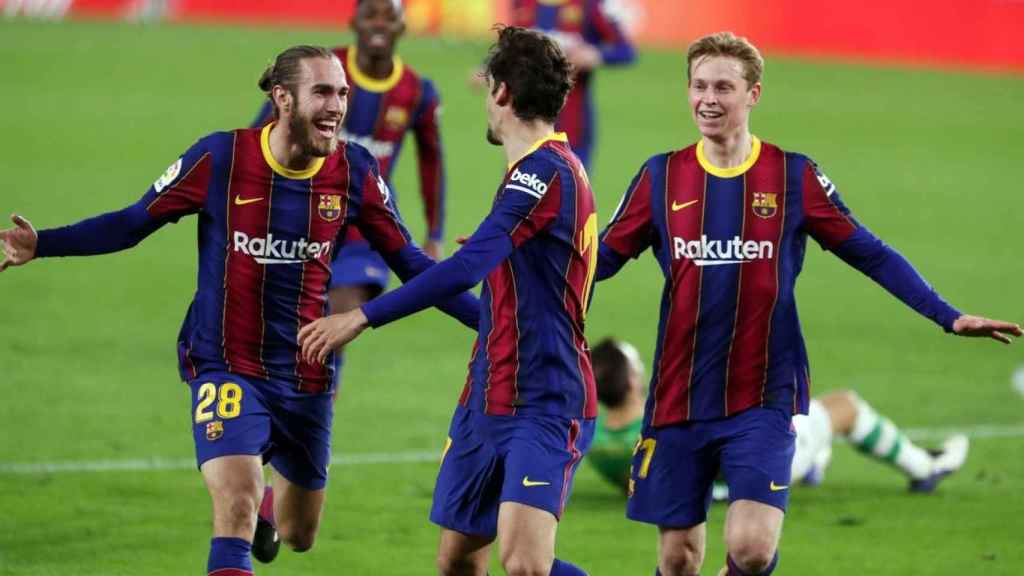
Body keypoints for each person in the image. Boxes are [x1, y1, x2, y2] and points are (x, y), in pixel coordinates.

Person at [0, 45, 477, 576]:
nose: (337, 105)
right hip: (225, 363)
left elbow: (412, 263)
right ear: (282, 99)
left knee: (299, 535)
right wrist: (43, 243)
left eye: (342, 93)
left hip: (304, 374)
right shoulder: (220, 159)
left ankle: (276, 500)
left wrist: (492, 322)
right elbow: (133, 223)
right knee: (236, 503)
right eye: (322, 91)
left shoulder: (354, 172)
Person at [594, 32, 1021, 576]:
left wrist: (946, 314)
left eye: (724, 86)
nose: (709, 98)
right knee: (679, 559)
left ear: (753, 94)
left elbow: (868, 251)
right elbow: (598, 261)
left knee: (750, 548)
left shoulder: (792, 175)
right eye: (699, 85)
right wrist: (524, 258)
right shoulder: (661, 176)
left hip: (764, 394)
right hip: (680, 395)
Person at [297, 26, 598, 576]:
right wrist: (396, 247)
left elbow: (467, 268)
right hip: (487, 395)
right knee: (457, 562)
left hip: (546, 397)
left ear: (502, 93)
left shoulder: (543, 175)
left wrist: (362, 316)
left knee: (526, 564)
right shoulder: (534, 171)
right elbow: (492, 310)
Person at [250, 0, 451, 560]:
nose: (381, 27)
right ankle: (269, 476)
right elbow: (257, 138)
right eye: (372, 17)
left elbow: (433, 161)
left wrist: (434, 232)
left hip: (363, 235)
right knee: (280, 345)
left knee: (330, 327)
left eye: (390, 18)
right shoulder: (321, 74)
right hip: (300, 225)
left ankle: (291, 461)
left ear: (403, 27)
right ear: (355, 25)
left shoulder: (418, 91)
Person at [587, 338, 971, 496]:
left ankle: (816, 458)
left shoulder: (596, 441)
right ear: (634, 379)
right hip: (756, 478)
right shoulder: (671, 421)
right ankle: (925, 468)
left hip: (693, 491)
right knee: (844, 406)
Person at [507, 0, 635, 169]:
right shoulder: (521, 3)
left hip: (573, 124)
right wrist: (487, 68)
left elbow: (626, 51)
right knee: (519, 191)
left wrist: (596, 55)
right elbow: (510, 48)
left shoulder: (591, 5)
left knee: (568, 190)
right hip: (525, 123)